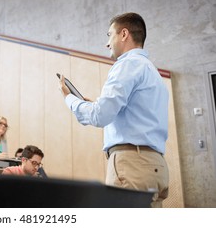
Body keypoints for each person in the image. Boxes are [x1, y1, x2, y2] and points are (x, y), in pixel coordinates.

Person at [58, 12, 169, 208]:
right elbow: (131, 116)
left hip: (132, 165)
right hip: (155, 166)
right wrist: (95, 105)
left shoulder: (127, 64)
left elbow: (99, 115)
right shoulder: (152, 71)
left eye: (109, 35)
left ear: (124, 34)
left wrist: (70, 99)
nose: (107, 43)